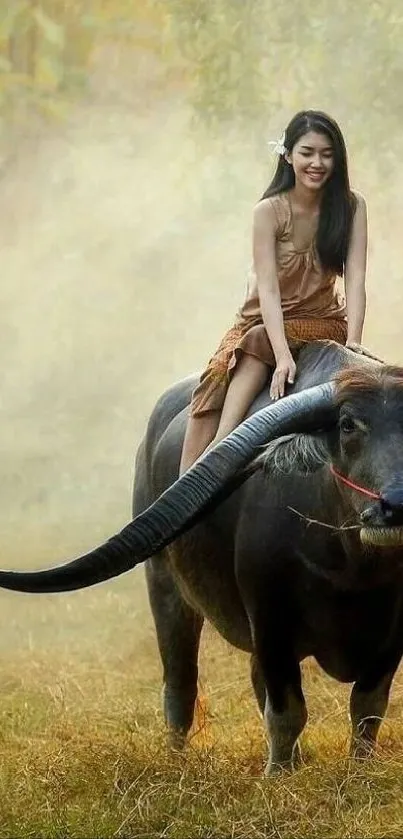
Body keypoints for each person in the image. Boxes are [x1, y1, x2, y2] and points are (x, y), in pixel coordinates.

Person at [179, 109, 368, 474]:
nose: (317, 162)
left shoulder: (351, 206)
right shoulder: (268, 211)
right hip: (262, 323)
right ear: (288, 155)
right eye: (307, 152)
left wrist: (354, 342)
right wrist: (282, 355)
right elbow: (267, 289)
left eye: (327, 154)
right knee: (225, 372)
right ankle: (212, 454)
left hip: (324, 323)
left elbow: (356, 278)